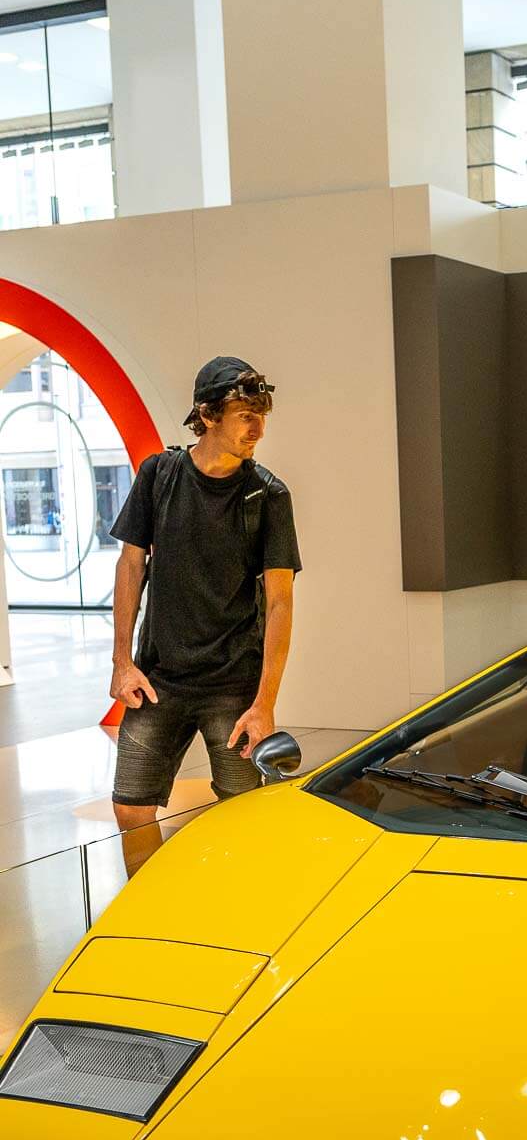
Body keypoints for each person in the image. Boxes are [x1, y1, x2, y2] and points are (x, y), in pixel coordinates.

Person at [108, 356, 302, 863]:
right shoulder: (159, 475)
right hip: (158, 680)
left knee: (244, 812)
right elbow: (131, 566)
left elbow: (280, 602)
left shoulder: (267, 495)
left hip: (233, 685)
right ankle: (150, 916)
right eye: (245, 414)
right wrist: (121, 662)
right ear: (208, 414)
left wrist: (265, 702)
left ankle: (234, 920)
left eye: (262, 413)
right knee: (131, 808)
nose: (257, 426)